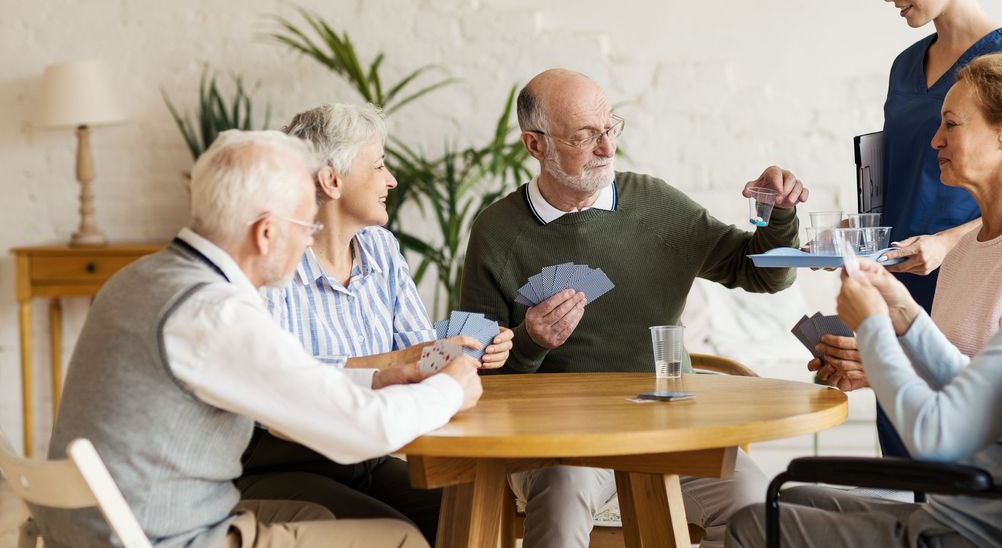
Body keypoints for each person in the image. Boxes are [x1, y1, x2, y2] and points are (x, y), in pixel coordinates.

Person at [725, 122, 1002, 547]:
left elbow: (935, 436)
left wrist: (872, 328)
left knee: (752, 521)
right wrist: (905, 314)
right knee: (801, 496)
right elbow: (979, 387)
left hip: (972, 534)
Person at [31, 130, 482, 548]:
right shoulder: (214, 312)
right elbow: (364, 430)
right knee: (398, 540)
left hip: (97, 524)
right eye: (307, 226)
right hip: (167, 536)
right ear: (266, 233)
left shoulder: (143, 277)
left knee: (318, 515)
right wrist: (450, 388)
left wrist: (377, 381)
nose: (310, 243)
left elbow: (295, 385)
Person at [457, 68, 807, 548]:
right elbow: (471, 369)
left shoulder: (656, 204)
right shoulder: (495, 231)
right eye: (584, 137)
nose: (606, 148)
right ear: (535, 146)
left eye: (609, 128)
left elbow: (765, 275)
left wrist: (778, 212)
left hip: (669, 427)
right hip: (557, 443)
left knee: (760, 506)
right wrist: (531, 343)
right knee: (565, 490)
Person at [237, 104, 513, 543]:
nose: (392, 180)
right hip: (283, 463)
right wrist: (401, 362)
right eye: (380, 166)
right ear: (332, 180)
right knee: (401, 534)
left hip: (368, 455)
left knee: (469, 512)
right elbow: (282, 386)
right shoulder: (273, 262)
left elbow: (420, 351)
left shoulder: (380, 247)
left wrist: (466, 348)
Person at [867, 0, 1002, 456]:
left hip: (967, 282)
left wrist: (946, 242)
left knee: (959, 457)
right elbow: (903, 168)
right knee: (903, 462)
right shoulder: (905, 64)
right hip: (898, 275)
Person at [815, 53, 1002, 391]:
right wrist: (872, 369)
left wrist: (885, 363)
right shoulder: (961, 251)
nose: (936, 140)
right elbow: (949, 379)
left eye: (951, 124)